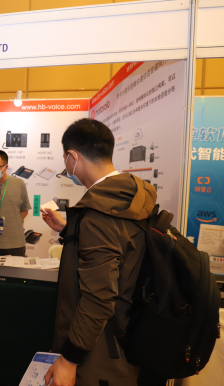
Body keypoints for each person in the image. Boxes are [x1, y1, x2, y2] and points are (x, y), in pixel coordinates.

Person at [41, 119, 158, 386]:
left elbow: (99, 297)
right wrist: (70, 228)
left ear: (73, 157)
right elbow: (120, 249)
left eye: (65, 159)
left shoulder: (99, 212)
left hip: (100, 350)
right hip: (125, 336)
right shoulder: (127, 196)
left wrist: (69, 359)